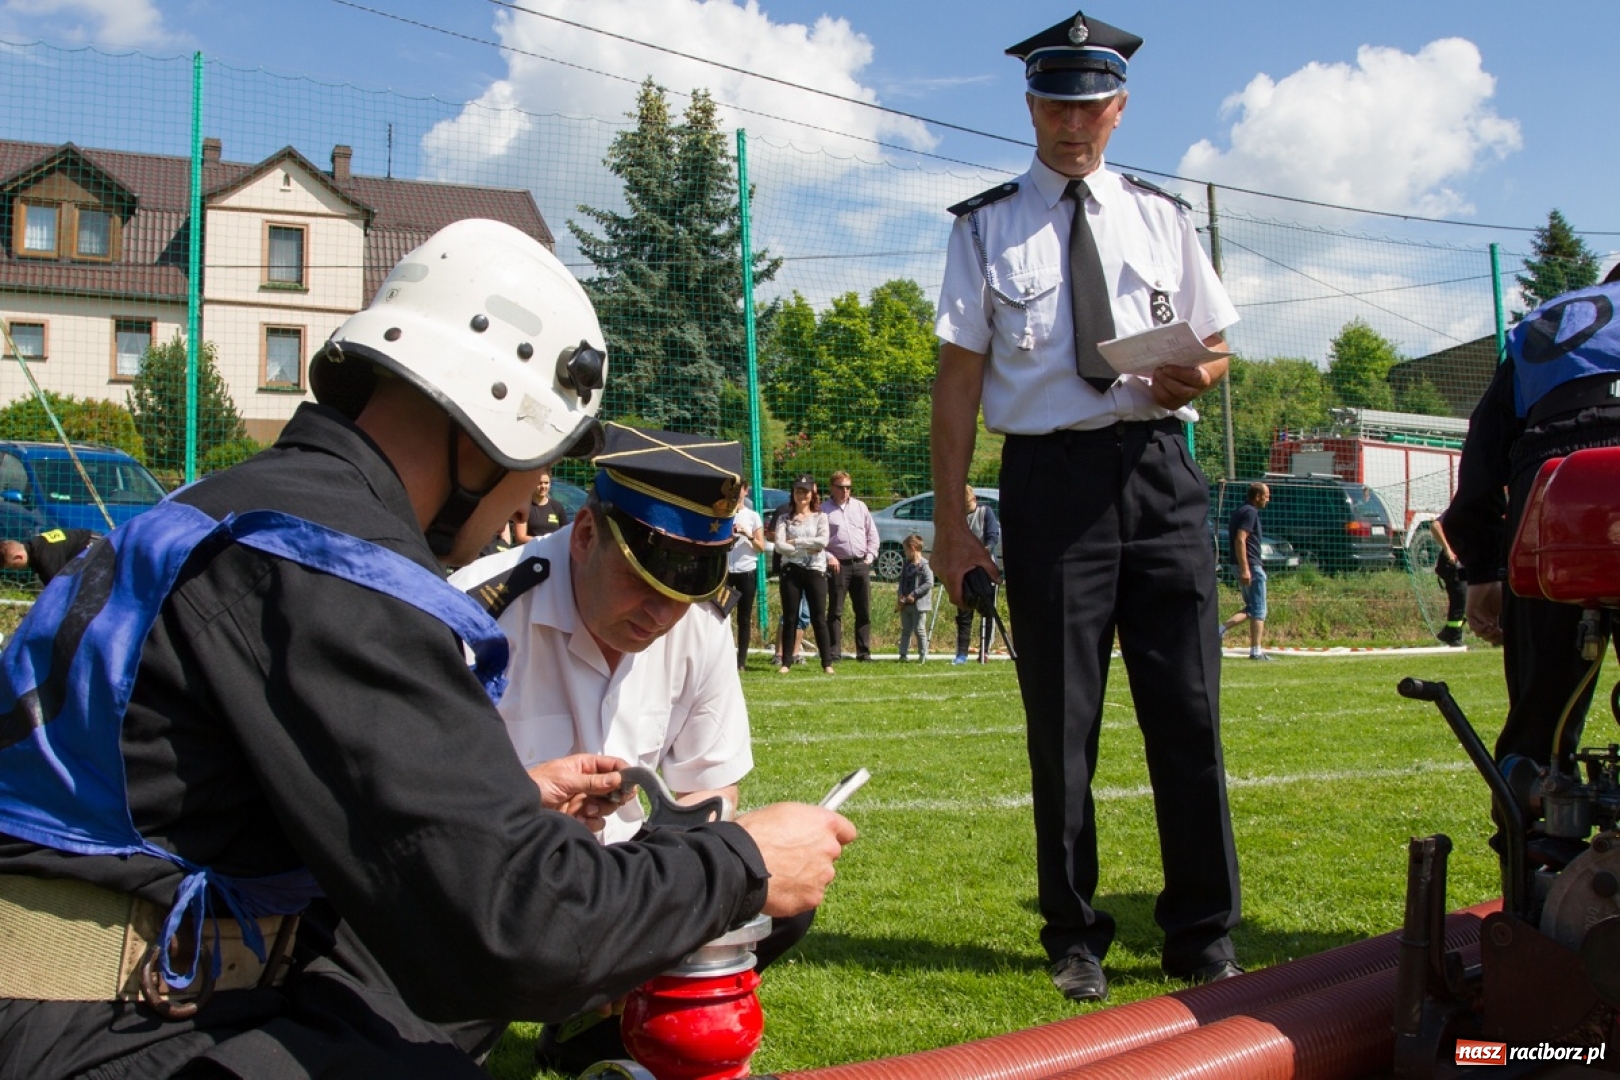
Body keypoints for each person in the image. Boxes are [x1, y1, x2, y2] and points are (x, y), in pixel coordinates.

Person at [0, 219, 855, 1078]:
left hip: (133, 989)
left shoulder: (243, 510)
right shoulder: (329, 561)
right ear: (494, 423)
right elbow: (513, 929)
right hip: (104, 1024)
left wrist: (496, 804)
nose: (532, 491)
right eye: (541, 461)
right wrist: (742, 861)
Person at [929, 10, 1243, 1003]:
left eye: (1090, 105)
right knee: (1061, 724)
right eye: (1055, 103)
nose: (1072, 123)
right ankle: (1074, 934)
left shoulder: (1163, 217)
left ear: (1119, 108)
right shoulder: (984, 226)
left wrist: (1197, 376)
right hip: (1050, 484)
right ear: (1032, 107)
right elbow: (957, 379)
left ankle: (1204, 933)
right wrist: (948, 520)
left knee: (1189, 714)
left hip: (1159, 470)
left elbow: (1218, 345)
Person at [450, 425, 818, 1072]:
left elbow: (711, 792)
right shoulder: (474, 617)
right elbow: (415, 822)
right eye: (643, 581)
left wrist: (663, 915)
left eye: (684, 591)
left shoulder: (695, 626)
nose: (660, 612)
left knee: (768, 890)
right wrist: (515, 812)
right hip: (499, 883)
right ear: (586, 532)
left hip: (624, 892)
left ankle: (598, 1038)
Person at [1445, 270, 1620, 771]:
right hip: (1559, 461)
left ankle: (1530, 827)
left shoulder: (1550, 318)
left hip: (1552, 476)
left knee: (1539, 720)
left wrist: (1481, 571)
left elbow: (1482, 458)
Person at [775, 474, 835, 675]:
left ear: (812, 494)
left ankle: (827, 663)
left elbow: (822, 542)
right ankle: (786, 662)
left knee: (819, 617)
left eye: (805, 491)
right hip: (791, 571)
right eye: (798, 491)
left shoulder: (821, 517)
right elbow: (780, 546)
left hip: (815, 571)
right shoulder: (784, 518)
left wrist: (796, 543)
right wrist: (804, 547)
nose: (802, 495)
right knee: (790, 617)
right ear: (793, 493)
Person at [822, 469, 880, 662]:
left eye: (848, 487)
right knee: (835, 611)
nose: (845, 491)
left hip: (860, 564)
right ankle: (834, 652)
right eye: (841, 487)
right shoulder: (824, 510)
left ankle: (864, 652)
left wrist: (869, 558)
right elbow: (819, 541)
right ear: (832, 487)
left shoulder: (860, 507)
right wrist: (829, 556)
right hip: (838, 566)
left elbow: (872, 534)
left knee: (863, 611)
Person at [1219, 482, 1272, 661]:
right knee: (1259, 610)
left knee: (1252, 608)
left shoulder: (1240, 510)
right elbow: (1240, 540)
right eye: (1266, 496)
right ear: (1257, 496)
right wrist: (1245, 569)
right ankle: (1256, 651)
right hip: (1250, 566)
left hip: (1242, 565)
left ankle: (1218, 631)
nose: (1268, 499)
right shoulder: (1250, 512)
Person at [953, 485, 1002, 664]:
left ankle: (984, 651)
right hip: (965, 569)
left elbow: (992, 536)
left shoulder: (985, 512)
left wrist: (983, 552)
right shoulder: (958, 518)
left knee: (987, 611)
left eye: (966, 505)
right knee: (964, 611)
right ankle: (961, 654)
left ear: (973, 500)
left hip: (984, 569)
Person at [727, 481, 769, 671]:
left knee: (743, 619)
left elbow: (761, 547)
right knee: (721, 617)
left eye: (740, 489)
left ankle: (741, 661)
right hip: (726, 572)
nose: (737, 494)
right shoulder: (722, 513)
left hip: (746, 572)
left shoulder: (752, 516)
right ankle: (722, 659)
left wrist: (747, 534)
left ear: (745, 491)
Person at [0, 525, 96, 585]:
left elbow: (58, 590)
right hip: (95, 544)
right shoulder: (38, 545)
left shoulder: (45, 559)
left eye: (12, 566)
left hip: (97, 551)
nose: (14, 569)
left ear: (18, 557)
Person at [1426, 513, 1467, 647]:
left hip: (1465, 563)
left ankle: (1450, 632)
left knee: (1467, 598)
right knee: (1460, 596)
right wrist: (1447, 549)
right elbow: (1435, 526)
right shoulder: (1458, 509)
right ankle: (1453, 634)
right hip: (1453, 563)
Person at [896, 532, 933, 662]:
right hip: (905, 604)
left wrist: (914, 594)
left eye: (905, 550)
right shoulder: (907, 565)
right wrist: (900, 594)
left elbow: (929, 583)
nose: (905, 553)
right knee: (906, 630)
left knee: (919, 629)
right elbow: (901, 581)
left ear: (913, 548)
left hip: (919, 605)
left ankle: (923, 654)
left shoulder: (925, 565)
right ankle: (903, 655)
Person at [511, 464, 573, 543]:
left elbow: (565, 535)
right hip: (531, 552)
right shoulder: (525, 508)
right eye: (539, 483)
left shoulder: (557, 507)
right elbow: (520, 537)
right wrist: (544, 541)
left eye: (546, 483)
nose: (543, 486)